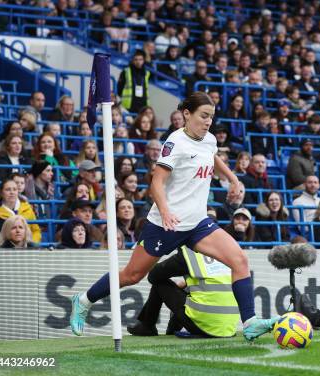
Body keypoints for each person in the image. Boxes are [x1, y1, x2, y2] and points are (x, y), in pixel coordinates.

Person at [70, 92, 278, 341]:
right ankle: (83, 301)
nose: (208, 121)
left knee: (240, 260)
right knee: (132, 276)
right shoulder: (175, 143)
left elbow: (211, 156)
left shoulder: (209, 139)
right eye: (203, 116)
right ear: (186, 115)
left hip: (198, 224)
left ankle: (251, 322)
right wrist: (166, 211)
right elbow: (156, 182)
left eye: (211, 117)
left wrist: (232, 178)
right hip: (165, 224)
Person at [127, 245, 239, 338]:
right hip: (228, 328)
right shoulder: (222, 251)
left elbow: (153, 276)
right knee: (191, 295)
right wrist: (186, 283)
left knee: (159, 283)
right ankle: (169, 331)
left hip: (205, 326)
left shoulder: (189, 254)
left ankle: (147, 326)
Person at [0, 179, 41, 244]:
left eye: (15, 189)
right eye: (8, 189)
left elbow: (36, 230)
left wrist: (31, 243)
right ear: (1, 192)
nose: (12, 192)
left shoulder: (27, 207)